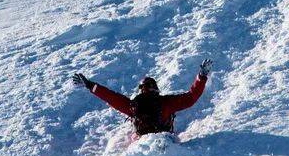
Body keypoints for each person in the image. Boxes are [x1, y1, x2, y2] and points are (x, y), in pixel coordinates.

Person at [73, 59, 212, 138]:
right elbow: (191, 97)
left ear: (141, 90)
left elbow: (111, 97)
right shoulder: (167, 103)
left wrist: (89, 85)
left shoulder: (133, 105)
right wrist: (202, 76)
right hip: (165, 140)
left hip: (141, 142)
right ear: (156, 90)